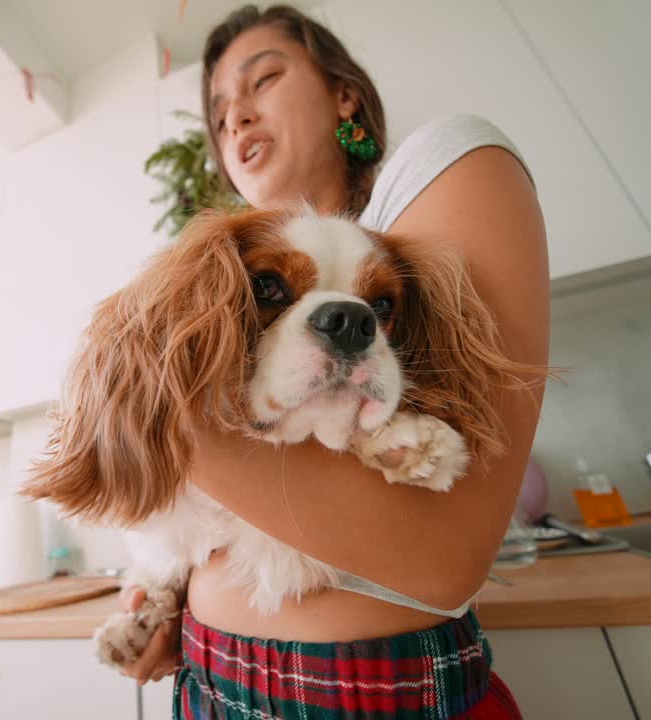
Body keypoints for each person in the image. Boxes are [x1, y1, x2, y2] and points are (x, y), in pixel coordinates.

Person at [121, 5, 548, 718]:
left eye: (262, 81)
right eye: (220, 112)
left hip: (388, 695)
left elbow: (443, 558)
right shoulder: (210, 280)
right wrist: (159, 586)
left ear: (343, 94)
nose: (235, 119)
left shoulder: (440, 166)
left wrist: (144, 400)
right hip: (201, 684)